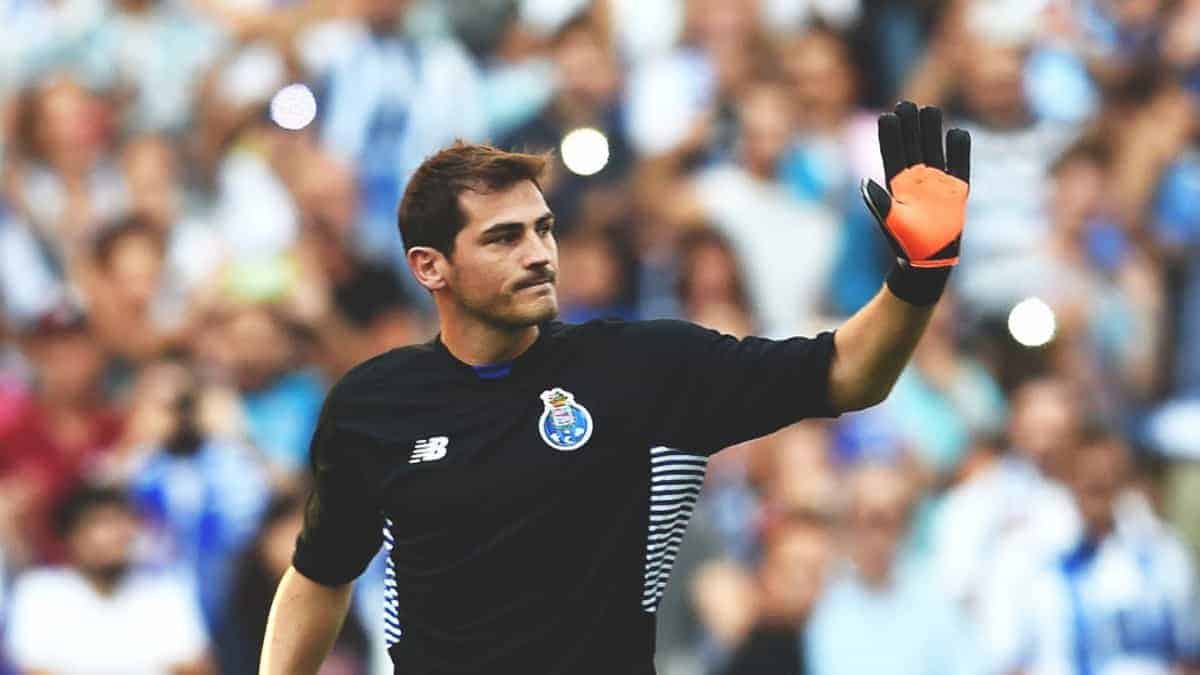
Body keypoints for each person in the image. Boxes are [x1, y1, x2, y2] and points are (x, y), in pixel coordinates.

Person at [260, 100, 972, 674]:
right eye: (504, 238)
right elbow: (319, 576)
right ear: (429, 266)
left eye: (543, 229)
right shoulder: (372, 405)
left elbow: (848, 373)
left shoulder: (644, 366)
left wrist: (918, 276)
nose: (539, 254)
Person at [5, 483, 213, 674]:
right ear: (71, 536)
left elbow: (196, 668)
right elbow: (35, 669)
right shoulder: (40, 592)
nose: (115, 536)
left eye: (122, 524)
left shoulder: (166, 591)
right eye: (100, 524)